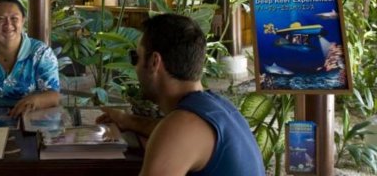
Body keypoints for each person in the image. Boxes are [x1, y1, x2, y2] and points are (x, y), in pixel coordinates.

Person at [97, 14, 264, 176]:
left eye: (136, 58)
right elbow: (166, 131)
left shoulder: (183, 126)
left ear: (155, 62)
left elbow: (174, 134)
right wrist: (126, 120)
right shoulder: (217, 107)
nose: (135, 67)